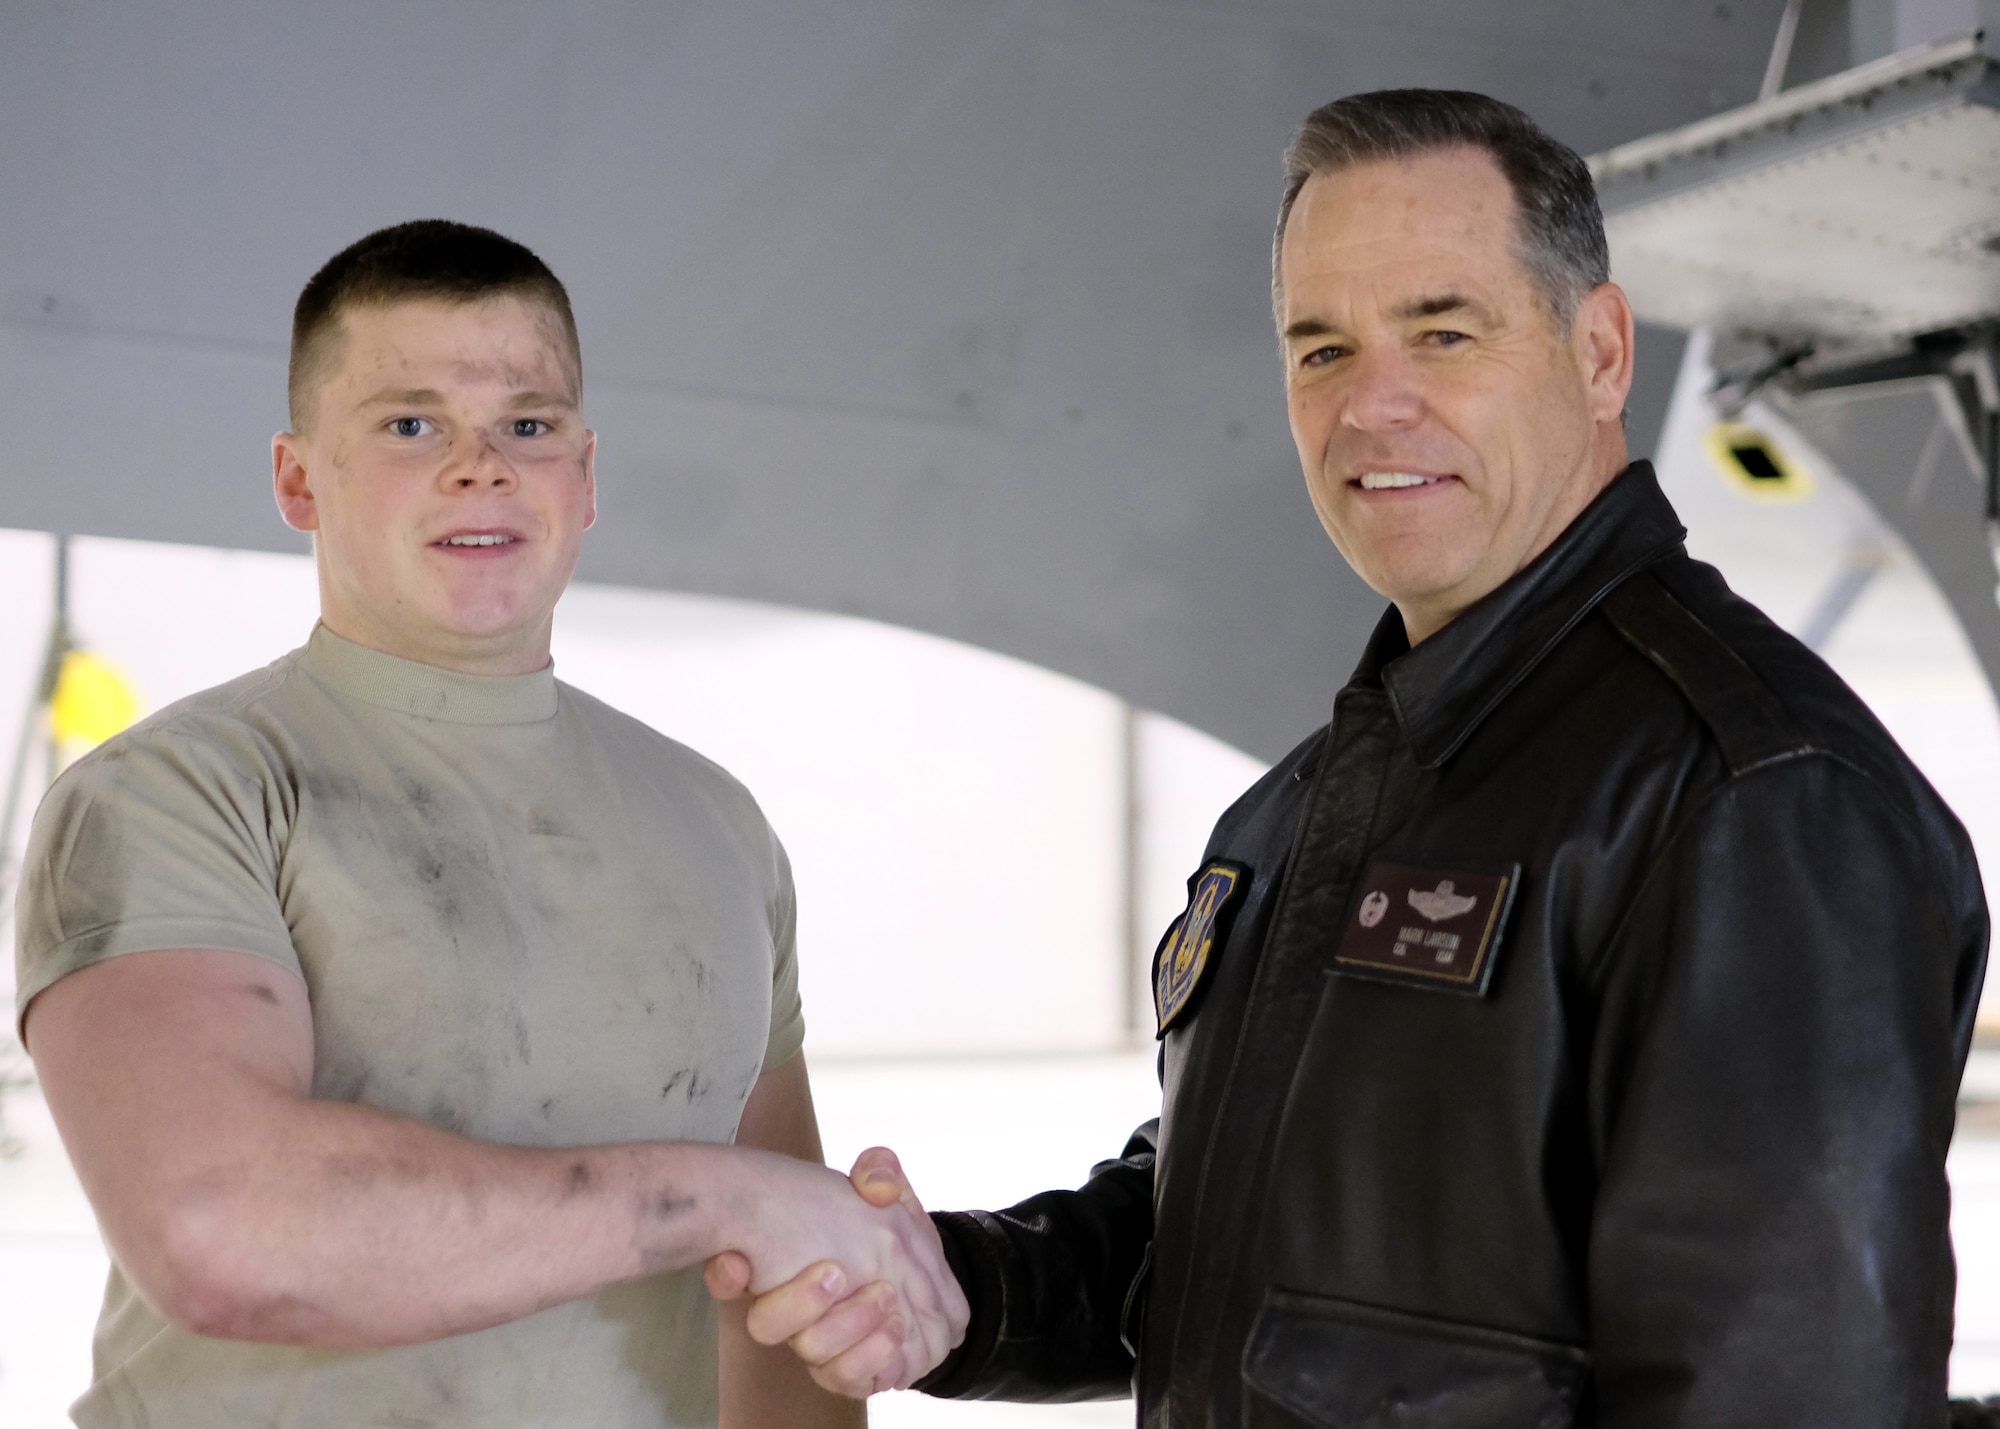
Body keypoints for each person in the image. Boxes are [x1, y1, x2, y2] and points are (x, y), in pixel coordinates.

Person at [720, 89, 1991, 1425]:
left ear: (1602, 352)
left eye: (1443, 332)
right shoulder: (1308, 806)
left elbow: (1782, 1395)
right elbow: (1227, 1233)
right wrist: (964, 1291)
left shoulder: (1747, 802)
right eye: (1321, 350)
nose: (1372, 406)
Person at [13, 220, 965, 1429]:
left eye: (529, 422)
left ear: (585, 474)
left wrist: (794, 1234)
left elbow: (768, 1313)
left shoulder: (713, 821)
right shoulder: (178, 794)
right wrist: (728, 1197)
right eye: (410, 424)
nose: (482, 466)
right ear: (298, 476)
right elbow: (220, 1231)